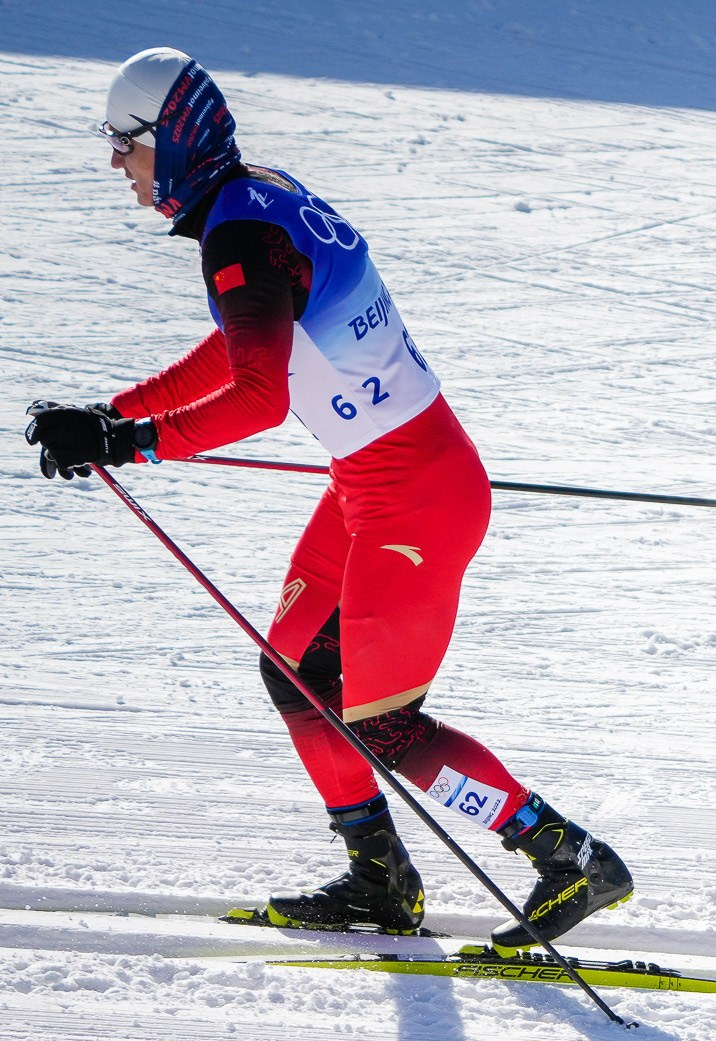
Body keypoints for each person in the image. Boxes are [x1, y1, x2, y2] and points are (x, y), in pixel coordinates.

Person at [23, 50, 632, 947]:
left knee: (383, 723)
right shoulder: (255, 196)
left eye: (127, 142)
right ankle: (378, 878)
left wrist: (128, 443)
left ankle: (568, 857)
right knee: (294, 674)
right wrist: (114, 411)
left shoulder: (238, 233)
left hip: (414, 500)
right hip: (376, 481)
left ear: (174, 139)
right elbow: (242, 353)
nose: (118, 163)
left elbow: (260, 398)